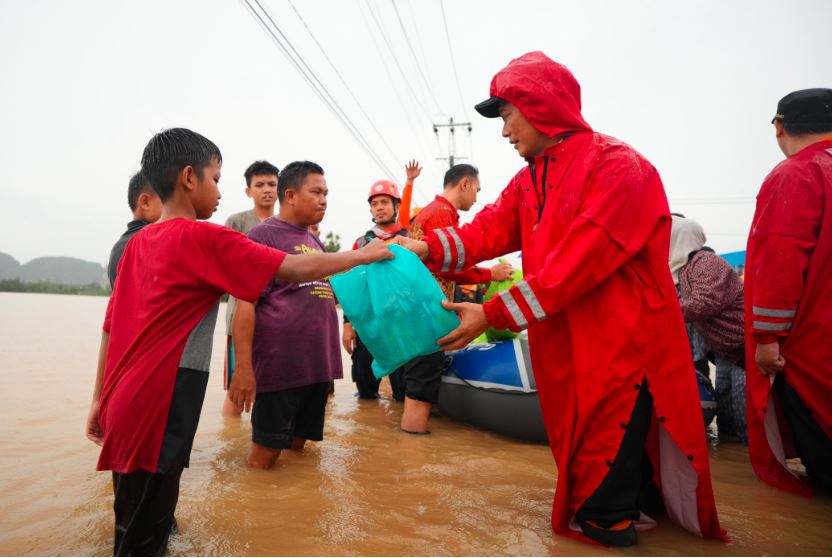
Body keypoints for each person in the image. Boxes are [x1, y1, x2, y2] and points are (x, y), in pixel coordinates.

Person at [395, 52, 723, 546]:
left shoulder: (621, 167)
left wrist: (491, 312)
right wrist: (424, 246)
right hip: (563, 345)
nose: (504, 131)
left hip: (621, 349)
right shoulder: (530, 179)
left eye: (507, 115)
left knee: (603, 491)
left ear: (540, 104)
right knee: (594, 464)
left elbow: (575, 267)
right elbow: (487, 230)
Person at [85, 128, 392, 556]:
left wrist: (99, 399)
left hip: (123, 399)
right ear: (190, 178)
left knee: (135, 522)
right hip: (162, 398)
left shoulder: (137, 244)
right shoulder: (205, 238)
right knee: (146, 538)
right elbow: (293, 268)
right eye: (216, 178)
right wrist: (366, 253)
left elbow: (109, 328)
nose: (219, 191)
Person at [744, 88, 832, 495]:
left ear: (779, 128)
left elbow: (780, 262)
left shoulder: (798, 174)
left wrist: (766, 339)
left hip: (812, 348)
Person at [231, 161, 343, 469]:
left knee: (298, 448)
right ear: (291, 195)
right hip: (280, 367)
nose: (324, 200)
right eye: (316, 192)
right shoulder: (262, 236)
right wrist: (243, 369)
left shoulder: (314, 240)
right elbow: (245, 303)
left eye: (326, 193)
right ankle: (255, 511)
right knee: (264, 456)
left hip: (316, 366)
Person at [400, 163, 514, 434]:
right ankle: (414, 460)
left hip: (417, 310)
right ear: (464, 184)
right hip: (429, 312)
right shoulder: (441, 213)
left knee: (417, 385)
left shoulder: (431, 211)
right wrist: (491, 274)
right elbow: (449, 265)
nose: (476, 197)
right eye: (476, 189)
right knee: (420, 392)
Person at [342, 160, 421, 401]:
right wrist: (347, 325)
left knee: (402, 394)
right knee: (365, 395)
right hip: (369, 325)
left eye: (384, 202)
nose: (379, 208)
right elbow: (353, 288)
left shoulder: (411, 239)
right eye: (374, 204)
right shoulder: (361, 243)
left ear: (396, 205)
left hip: (401, 325)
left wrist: (409, 183)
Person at [669, 216, 746, 441]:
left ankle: (748, 459)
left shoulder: (706, 263)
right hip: (725, 350)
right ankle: (731, 453)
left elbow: (703, 304)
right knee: (725, 401)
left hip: (744, 346)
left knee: (743, 404)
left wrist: (661, 307)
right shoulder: (682, 270)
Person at [222, 161, 280, 417]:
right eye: (259, 185)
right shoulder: (236, 222)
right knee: (237, 387)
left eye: (271, 184)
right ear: (249, 191)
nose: (266, 190)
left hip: (277, 319)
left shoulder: (287, 224)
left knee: (276, 387)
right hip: (241, 317)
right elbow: (223, 267)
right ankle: (230, 439)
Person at [106, 171, 162, 287]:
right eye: (166, 198)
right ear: (145, 202)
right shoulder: (155, 240)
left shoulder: (118, 248)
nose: (173, 204)